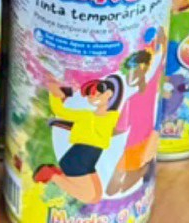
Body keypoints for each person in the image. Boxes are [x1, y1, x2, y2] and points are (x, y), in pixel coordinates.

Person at [33, 75, 122, 204]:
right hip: (78, 158)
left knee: (96, 197)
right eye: (89, 95)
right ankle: (52, 175)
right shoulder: (85, 116)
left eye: (96, 93)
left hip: (87, 158)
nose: (92, 97)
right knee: (89, 196)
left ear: (109, 94)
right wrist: (55, 94)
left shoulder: (113, 116)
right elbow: (60, 111)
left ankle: (56, 174)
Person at [107, 27, 167, 196]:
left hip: (141, 142)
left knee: (115, 189)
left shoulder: (150, 84)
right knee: (112, 189)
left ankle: (144, 169)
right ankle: (144, 169)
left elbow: (160, 59)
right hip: (131, 145)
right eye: (130, 73)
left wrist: (160, 39)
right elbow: (119, 128)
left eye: (138, 71)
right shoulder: (128, 98)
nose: (133, 76)